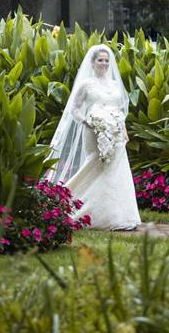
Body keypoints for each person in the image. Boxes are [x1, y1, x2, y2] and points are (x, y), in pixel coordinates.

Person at [47, 44, 141, 231]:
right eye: (100, 60)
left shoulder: (114, 85)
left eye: (107, 60)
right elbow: (74, 109)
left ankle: (118, 216)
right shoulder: (86, 84)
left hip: (115, 133)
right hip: (93, 131)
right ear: (93, 62)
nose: (104, 64)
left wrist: (123, 130)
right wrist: (88, 122)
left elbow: (120, 110)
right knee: (95, 165)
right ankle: (70, 204)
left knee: (116, 170)